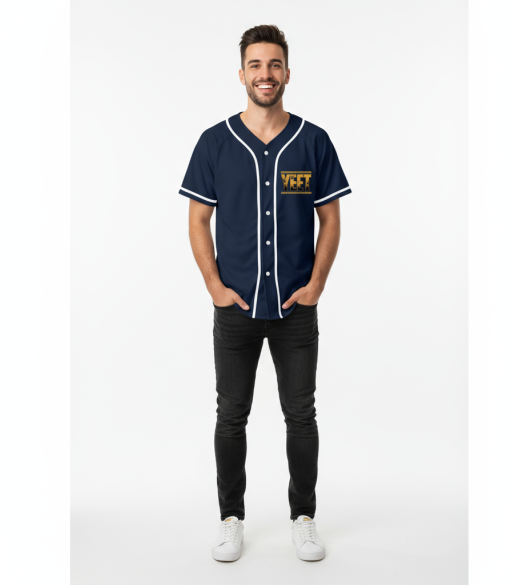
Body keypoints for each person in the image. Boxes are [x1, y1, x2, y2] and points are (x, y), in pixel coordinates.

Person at [179, 24, 351, 562]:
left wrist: (316, 284)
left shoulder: (313, 141)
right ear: (241, 74)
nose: (265, 74)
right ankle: (231, 518)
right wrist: (214, 286)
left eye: (274, 64)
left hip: (296, 309)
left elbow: (330, 219)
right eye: (255, 65)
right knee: (231, 415)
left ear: (287, 73)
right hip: (237, 308)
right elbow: (198, 219)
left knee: (301, 415)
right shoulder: (214, 142)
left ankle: (304, 517)